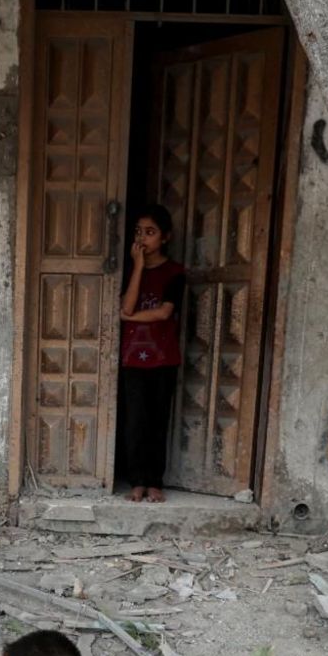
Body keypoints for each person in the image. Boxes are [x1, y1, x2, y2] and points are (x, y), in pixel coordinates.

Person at [117, 204, 184, 504]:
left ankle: (155, 481)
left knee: (157, 421)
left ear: (165, 237)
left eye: (150, 232)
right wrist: (139, 268)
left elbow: (164, 312)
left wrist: (129, 319)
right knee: (135, 422)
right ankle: (137, 481)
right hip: (133, 358)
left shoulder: (175, 273)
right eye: (138, 232)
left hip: (163, 359)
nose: (143, 238)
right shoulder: (130, 271)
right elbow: (128, 305)